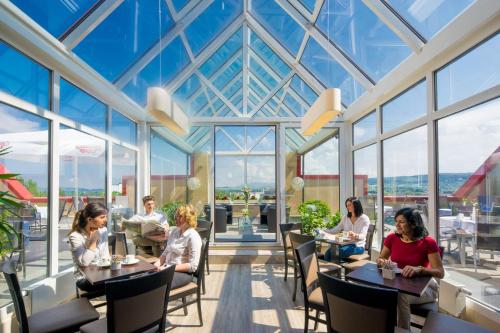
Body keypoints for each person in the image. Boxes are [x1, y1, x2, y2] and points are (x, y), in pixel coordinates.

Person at [376, 207, 444, 329]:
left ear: (413, 224)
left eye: (401, 222)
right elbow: (380, 258)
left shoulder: (428, 242)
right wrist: (381, 261)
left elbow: (440, 272)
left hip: (425, 288)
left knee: (399, 296)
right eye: (396, 221)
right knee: (381, 292)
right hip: (400, 285)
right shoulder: (392, 238)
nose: (397, 225)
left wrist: (420, 269)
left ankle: (403, 330)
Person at [153, 204, 202, 289]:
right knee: (146, 280)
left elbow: (193, 266)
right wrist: (157, 263)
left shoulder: (193, 236)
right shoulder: (175, 232)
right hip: (167, 268)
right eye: (176, 215)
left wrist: (169, 268)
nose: (176, 218)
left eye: (180, 216)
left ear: (188, 218)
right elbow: (165, 253)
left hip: (183, 273)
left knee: (156, 285)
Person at [68, 202, 109, 294]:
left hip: (102, 273)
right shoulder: (75, 236)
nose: (106, 220)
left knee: (126, 280)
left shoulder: (103, 230)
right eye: (102, 217)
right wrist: (93, 241)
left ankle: (117, 307)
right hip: (84, 278)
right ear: (90, 219)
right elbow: (84, 263)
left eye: (105, 216)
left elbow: (105, 255)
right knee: (117, 285)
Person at [323, 197, 370, 261]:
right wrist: (323, 231)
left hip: (358, 246)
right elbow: (336, 230)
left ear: (356, 205)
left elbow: (363, 235)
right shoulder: (345, 218)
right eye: (347, 205)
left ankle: (335, 269)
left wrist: (356, 235)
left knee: (334, 253)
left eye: (349, 205)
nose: (347, 207)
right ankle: (332, 270)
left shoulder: (364, 219)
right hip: (345, 244)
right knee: (328, 253)